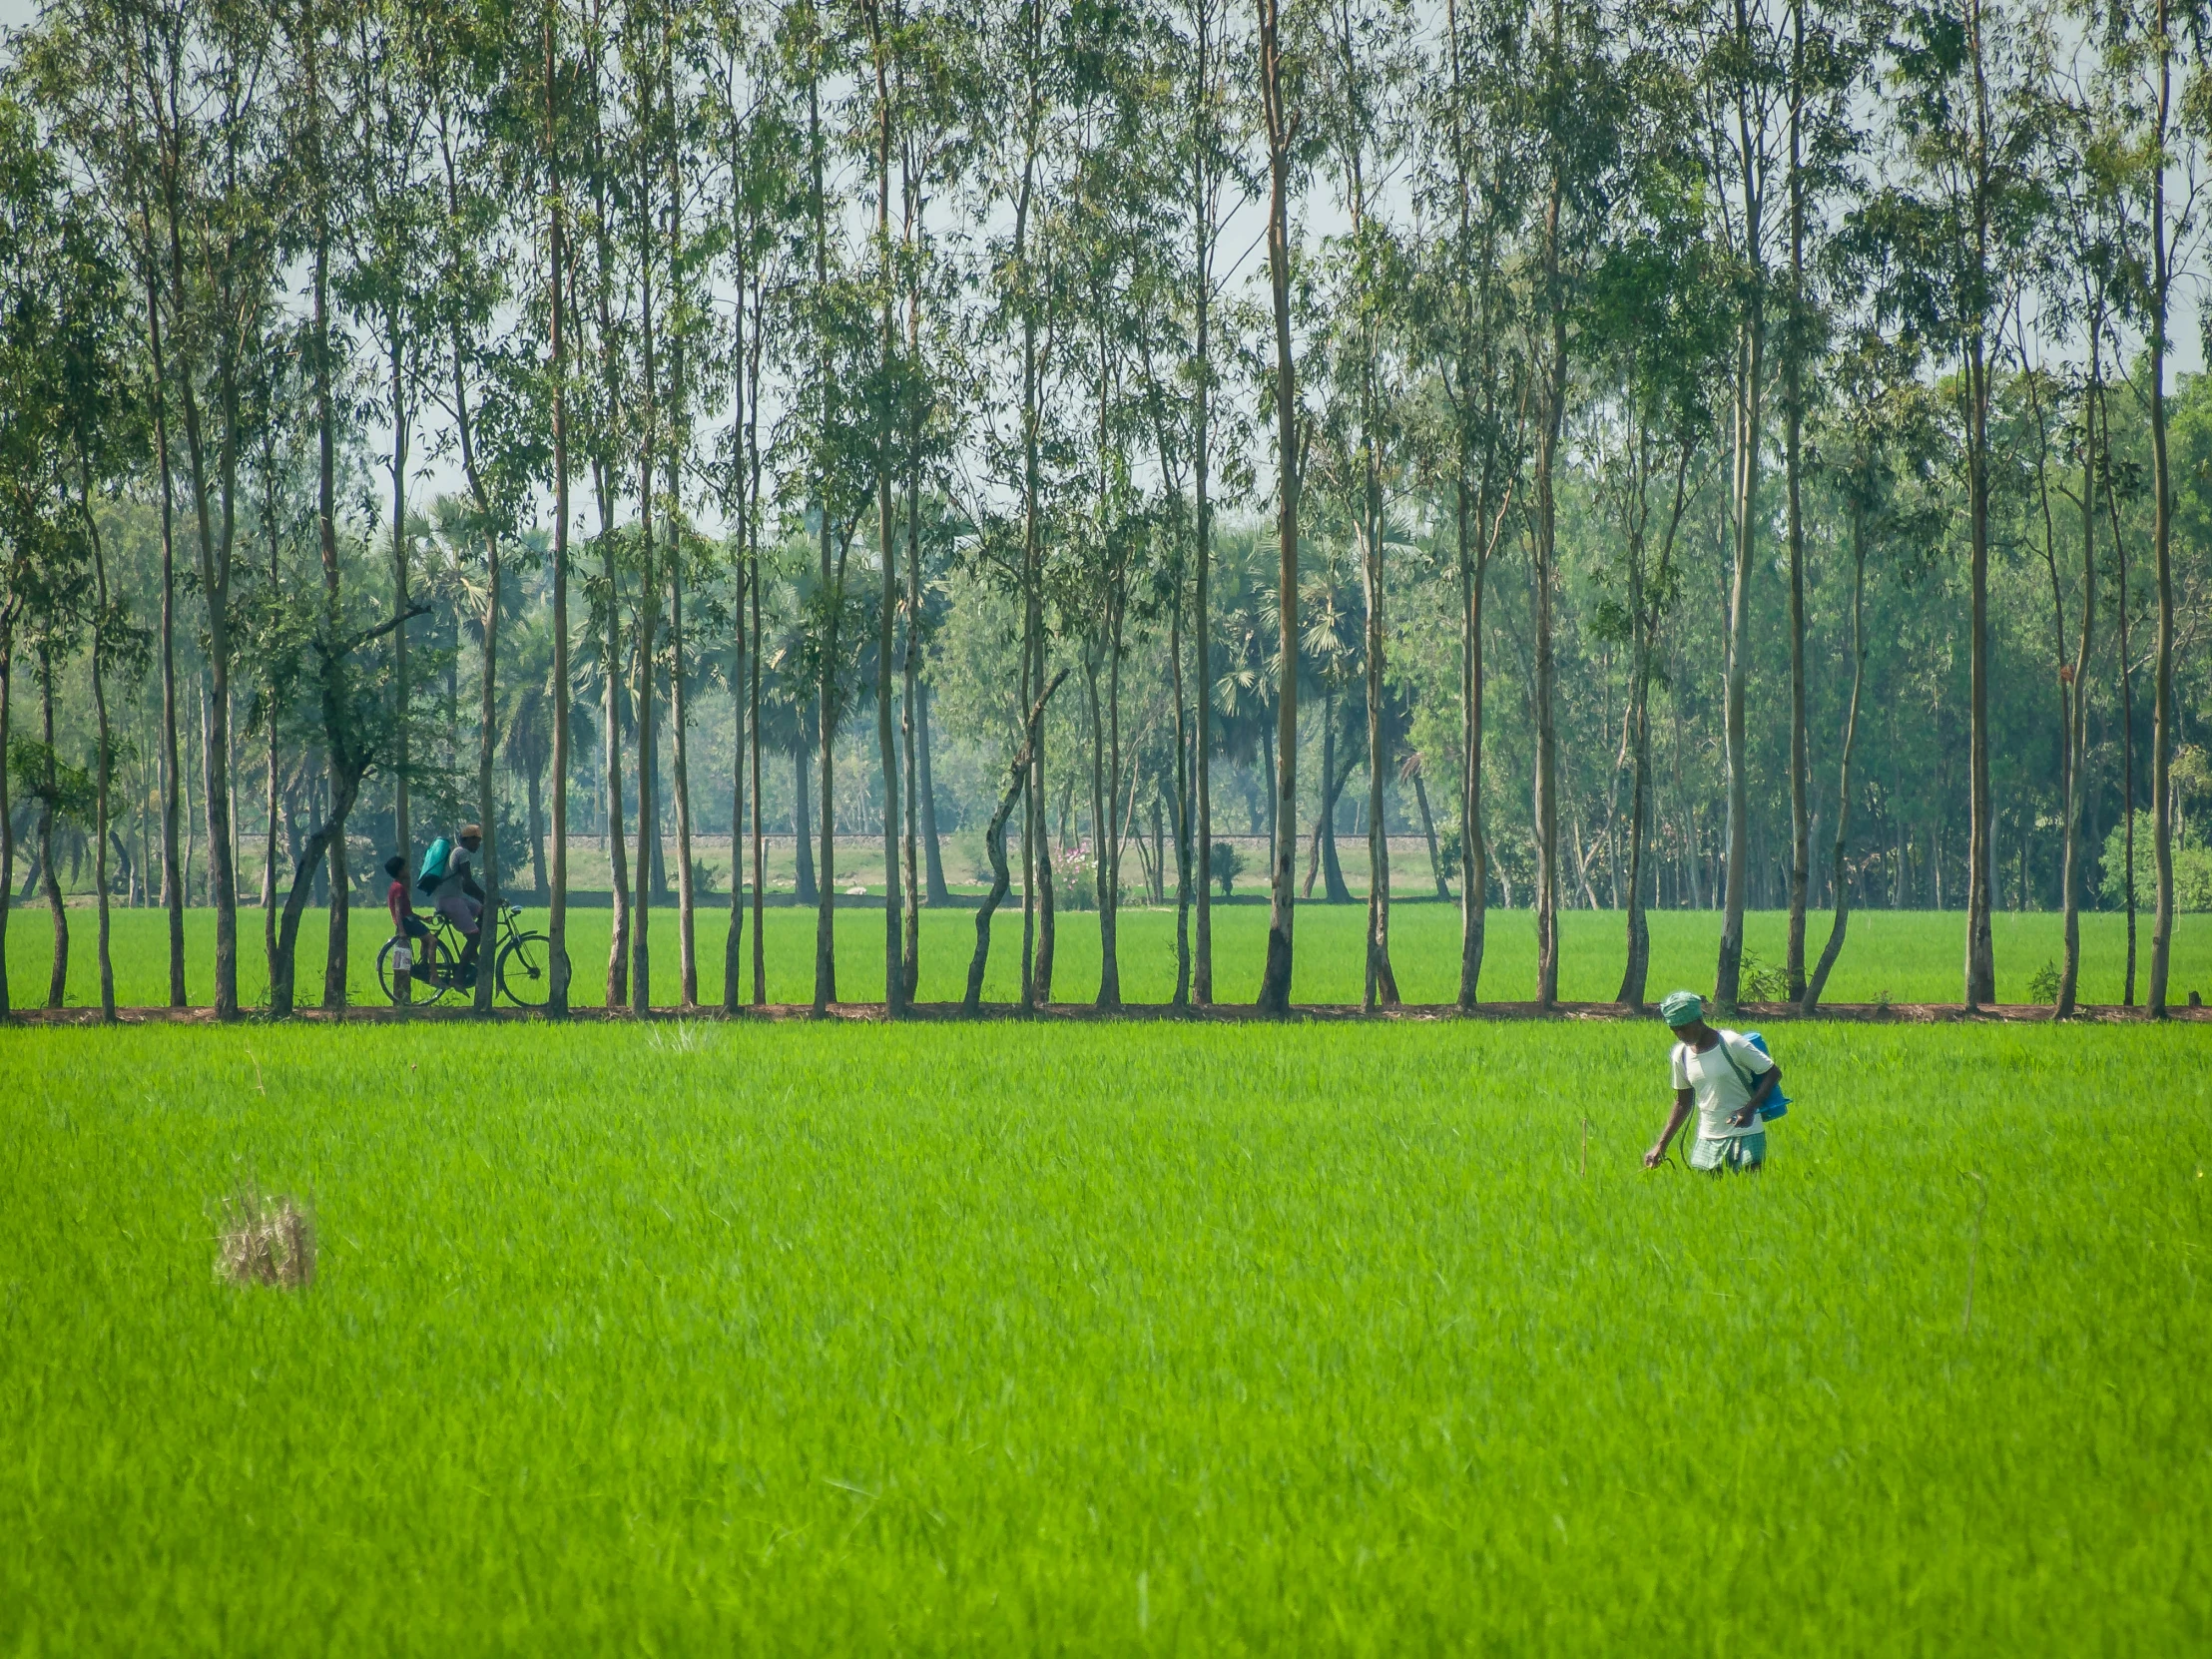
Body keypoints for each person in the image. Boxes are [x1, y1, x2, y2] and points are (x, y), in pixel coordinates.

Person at [1643, 989, 1782, 1175]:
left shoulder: (1731, 1043)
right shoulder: (1681, 1055)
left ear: (1699, 1020)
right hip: (1708, 1136)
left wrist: (1749, 1109)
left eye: (1684, 1027)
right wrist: (1660, 1146)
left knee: (1749, 1191)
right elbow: (1682, 1102)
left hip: (1746, 1133)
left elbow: (1772, 1073)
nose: (1680, 1034)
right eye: (1675, 1029)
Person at [432, 824, 487, 981]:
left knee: (484, 911)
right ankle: (458, 978)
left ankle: (472, 953)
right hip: (451, 900)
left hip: (451, 898)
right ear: (468, 840)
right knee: (475, 938)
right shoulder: (462, 853)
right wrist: (487, 898)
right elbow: (468, 883)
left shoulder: (457, 852)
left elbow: (465, 885)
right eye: (476, 841)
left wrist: (484, 900)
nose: (478, 844)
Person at [385, 854, 434, 982]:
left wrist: (423, 918)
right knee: (433, 941)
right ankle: (434, 976)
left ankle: (424, 964)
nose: (408, 871)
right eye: (405, 868)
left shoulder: (394, 886)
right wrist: (402, 930)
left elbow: (407, 911)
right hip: (407, 923)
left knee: (425, 940)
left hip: (407, 921)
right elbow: (398, 911)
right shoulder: (399, 888)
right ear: (400, 871)